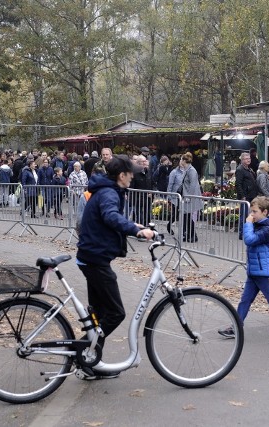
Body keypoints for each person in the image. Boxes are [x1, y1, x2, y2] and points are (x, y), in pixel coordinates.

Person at [76, 155, 155, 378]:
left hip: (92, 256)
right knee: (116, 313)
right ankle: (84, 353)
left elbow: (109, 216)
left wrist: (132, 224)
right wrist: (136, 231)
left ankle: (90, 362)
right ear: (122, 175)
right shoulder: (110, 192)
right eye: (131, 174)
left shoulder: (107, 189)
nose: (133, 178)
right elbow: (110, 216)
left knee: (100, 314)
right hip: (95, 258)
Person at [218, 196, 269, 339]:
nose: (251, 215)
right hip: (254, 271)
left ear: (265, 212)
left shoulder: (267, 228)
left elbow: (249, 240)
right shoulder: (258, 225)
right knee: (245, 300)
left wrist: (248, 224)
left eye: (254, 212)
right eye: (251, 211)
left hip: (264, 272)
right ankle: (236, 325)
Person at [235, 152, 259, 239]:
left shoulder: (249, 169)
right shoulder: (240, 169)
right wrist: (242, 196)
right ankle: (242, 233)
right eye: (246, 158)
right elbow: (238, 184)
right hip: (246, 197)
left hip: (252, 195)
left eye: (249, 158)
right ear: (242, 160)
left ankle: (249, 232)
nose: (248, 160)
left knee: (251, 215)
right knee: (244, 215)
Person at [131, 155, 153, 227]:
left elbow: (151, 183)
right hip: (138, 198)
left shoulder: (148, 172)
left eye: (145, 161)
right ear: (138, 163)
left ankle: (147, 228)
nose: (144, 163)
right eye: (142, 161)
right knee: (139, 216)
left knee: (148, 215)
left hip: (147, 198)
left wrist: (151, 192)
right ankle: (139, 230)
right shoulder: (135, 173)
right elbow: (132, 186)